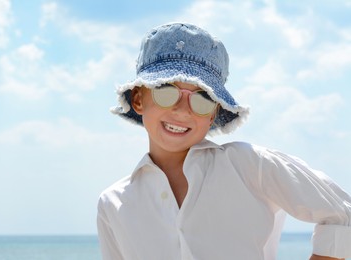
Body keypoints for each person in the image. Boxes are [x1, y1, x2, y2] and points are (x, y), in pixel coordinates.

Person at [97, 22, 351, 260]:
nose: (183, 111)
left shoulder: (249, 165)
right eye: (166, 92)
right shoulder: (113, 204)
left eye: (202, 99)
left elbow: (343, 214)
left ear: (214, 113)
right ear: (139, 99)